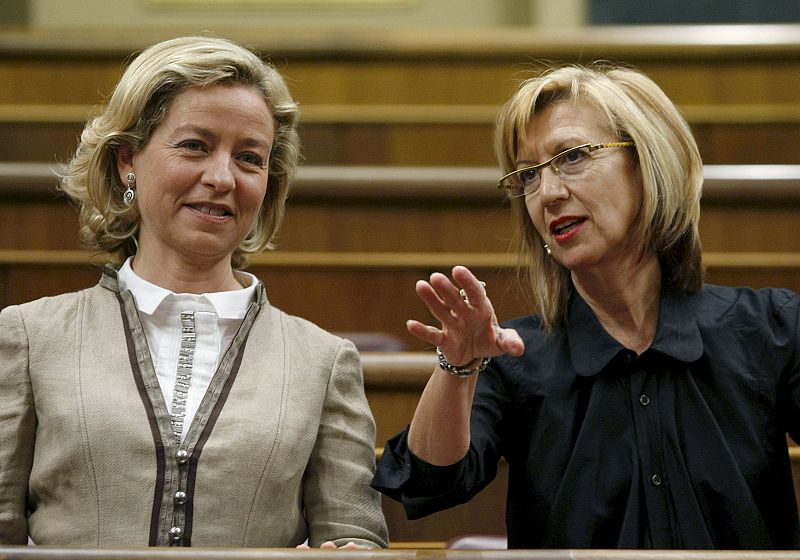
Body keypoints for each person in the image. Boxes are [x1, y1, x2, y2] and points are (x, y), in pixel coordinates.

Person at [372, 63, 800, 549]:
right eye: (528, 175)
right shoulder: (515, 356)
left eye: (572, 157)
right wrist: (458, 367)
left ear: (647, 164)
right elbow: (429, 479)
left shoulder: (769, 329)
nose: (548, 193)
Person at [0, 35, 388, 549]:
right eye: (194, 146)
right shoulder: (29, 337)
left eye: (250, 158)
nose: (222, 177)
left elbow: (355, 534)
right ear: (126, 160)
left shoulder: (323, 361)